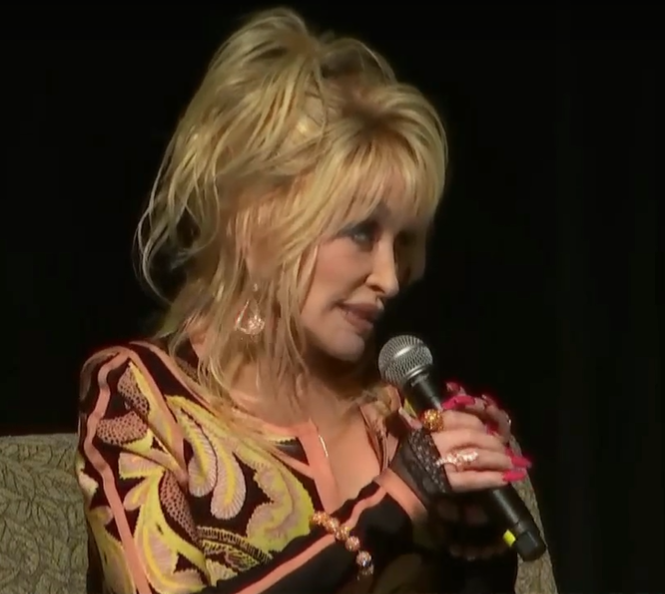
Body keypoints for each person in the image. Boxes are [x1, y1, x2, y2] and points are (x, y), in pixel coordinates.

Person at [75, 7, 539, 594]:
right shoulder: (139, 399)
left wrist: (477, 549)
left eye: (404, 243)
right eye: (362, 234)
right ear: (258, 220)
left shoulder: (390, 418)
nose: (391, 278)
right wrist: (394, 500)